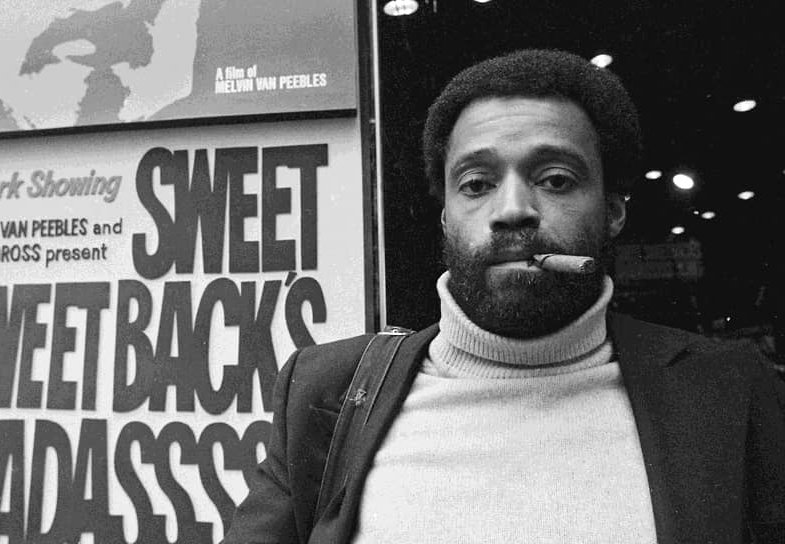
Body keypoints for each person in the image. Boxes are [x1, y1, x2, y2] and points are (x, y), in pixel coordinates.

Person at [223, 49, 785, 543]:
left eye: (556, 179)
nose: (513, 209)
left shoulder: (730, 391)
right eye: (476, 184)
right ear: (446, 218)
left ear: (613, 211)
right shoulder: (327, 393)